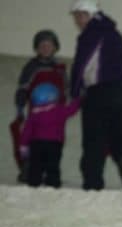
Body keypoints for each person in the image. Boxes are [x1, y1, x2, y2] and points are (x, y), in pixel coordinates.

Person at [69, 0, 122, 190]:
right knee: (119, 134)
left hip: (100, 93)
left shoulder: (91, 34)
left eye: (77, 17)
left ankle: (93, 185)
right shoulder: (115, 34)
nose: (77, 22)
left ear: (86, 14)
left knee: (94, 140)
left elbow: (81, 65)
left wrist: (74, 92)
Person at [13, 29, 67, 183]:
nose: (45, 48)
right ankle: (29, 170)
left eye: (49, 45)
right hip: (36, 114)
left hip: (56, 115)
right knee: (34, 142)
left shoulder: (60, 68)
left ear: (55, 48)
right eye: (42, 45)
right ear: (36, 48)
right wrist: (20, 107)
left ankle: (52, 174)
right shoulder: (31, 67)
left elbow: (67, 89)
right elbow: (23, 88)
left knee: (55, 144)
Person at [18, 83, 80, 188]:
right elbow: (71, 110)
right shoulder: (59, 110)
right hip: (54, 143)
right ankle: (53, 183)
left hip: (36, 144)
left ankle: (34, 183)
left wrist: (23, 145)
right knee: (53, 165)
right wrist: (78, 101)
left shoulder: (34, 114)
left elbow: (26, 131)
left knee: (36, 165)